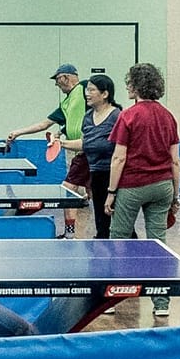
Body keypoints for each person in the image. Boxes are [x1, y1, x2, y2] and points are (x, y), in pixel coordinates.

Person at [105, 62, 180, 316]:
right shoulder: (168, 116)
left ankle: (111, 300)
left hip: (132, 186)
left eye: (129, 83)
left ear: (137, 86)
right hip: (162, 187)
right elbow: (174, 161)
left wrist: (111, 192)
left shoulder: (128, 115)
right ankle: (161, 305)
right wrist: (175, 194)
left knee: (118, 241)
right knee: (157, 244)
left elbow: (119, 159)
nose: (127, 87)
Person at [4, 63, 88, 237]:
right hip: (75, 150)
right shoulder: (65, 102)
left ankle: (110, 232)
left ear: (67, 77)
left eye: (57, 80)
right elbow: (45, 124)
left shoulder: (85, 87)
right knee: (71, 190)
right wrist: (19, 132)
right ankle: (72, 234)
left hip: (93, 149)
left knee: (75, 190)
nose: (56, 84)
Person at [78, 74, 121, 239]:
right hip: (96, 174)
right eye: (86, 90)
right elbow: (86, 143)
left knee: (121, 223)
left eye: (91, 90)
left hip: (115, 175)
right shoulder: (88, 117)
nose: (87, 93)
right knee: (101, 224)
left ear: (105, 94)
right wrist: (60, 143)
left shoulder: (117, 116)